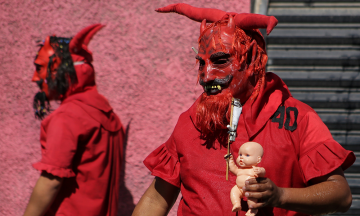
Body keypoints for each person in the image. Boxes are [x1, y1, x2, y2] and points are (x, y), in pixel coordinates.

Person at [132, 3, 356, 216]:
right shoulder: (191, 121)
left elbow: (340, 194)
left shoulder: (299, 119)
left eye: (220, 61)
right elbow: (156, 199)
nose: (206, 76)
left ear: (250, 62)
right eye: (202, 63)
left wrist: (280, 195)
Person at [23, 24, 124, 216]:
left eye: (41, 68)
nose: (35, 78)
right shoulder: (110, 116)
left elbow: (51, 181)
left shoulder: (68, 116)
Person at [228, 141, 265, 215]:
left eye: (247, 155)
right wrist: (230, 161)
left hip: (251, 189)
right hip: (239, 188)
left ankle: (252, 209)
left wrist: (260, 171)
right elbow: (233, 169)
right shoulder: (240, 169)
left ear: (258, 160)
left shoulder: (255, 169)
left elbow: (263, 173)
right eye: (240, 154)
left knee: (252, 198)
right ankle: (236, 204)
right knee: (233, 191)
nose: (241, 157)